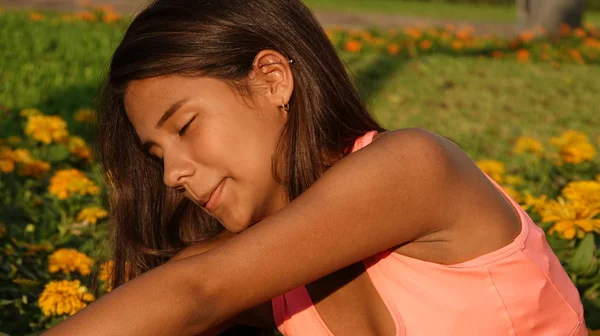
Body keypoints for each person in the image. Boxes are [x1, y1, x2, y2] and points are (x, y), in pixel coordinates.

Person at [44, 0, 587, 335]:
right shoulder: (258, 271)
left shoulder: (414, 167)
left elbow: (195, 294)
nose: (170, 176)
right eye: (156, 154)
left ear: (273, 79)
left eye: (185, 127)